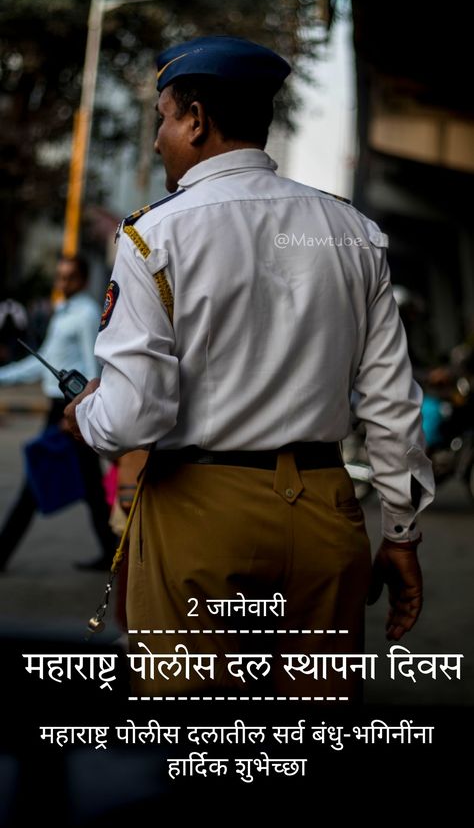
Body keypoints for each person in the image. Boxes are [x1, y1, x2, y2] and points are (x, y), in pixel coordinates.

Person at [64, 36, 435, 699]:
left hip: (199, 512)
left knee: (191, 740)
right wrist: (401, 535)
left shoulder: (153, 235)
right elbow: (392, 401)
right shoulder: (352, 231)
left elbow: (133, 414)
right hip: (326, 512)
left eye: (164, 120)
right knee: (309, 740)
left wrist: (84, 412)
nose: (158, 141)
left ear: (198, 120)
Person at [0, 255, 116, 571]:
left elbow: (94, 368)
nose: (62, 283)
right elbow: (42, 363)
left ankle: (2, 552)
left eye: (69, 278)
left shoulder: (85, 313)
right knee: (91, 487)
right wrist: (3, 375)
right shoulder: (63, 312)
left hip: (70, 410)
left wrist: (80, 412)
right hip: (58, 409)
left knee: (36, 479)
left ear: (81, 280)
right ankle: (113, 553)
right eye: (59, 277)